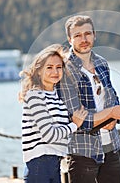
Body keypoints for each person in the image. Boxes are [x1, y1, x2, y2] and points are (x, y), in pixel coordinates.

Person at [56, 15, 120, 183]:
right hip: (82, 151)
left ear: (94, 35)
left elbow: (112, 97)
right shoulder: (65, 70)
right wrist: (110, 113)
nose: (84, 39)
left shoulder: (102, 63)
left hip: (111, 147)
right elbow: (77, 118)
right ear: (69, 39)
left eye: (87, 34)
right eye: (77, 35)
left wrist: (115, 116)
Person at [18, 44, 87, 183]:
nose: (55, 71)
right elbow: (49, 134)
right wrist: (74, 125)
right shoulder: (35, 95)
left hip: (55, 164)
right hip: (39, 165)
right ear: (38, 71)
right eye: (49, 67)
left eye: (58, 67)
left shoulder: (57, 97)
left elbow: (62, 136)